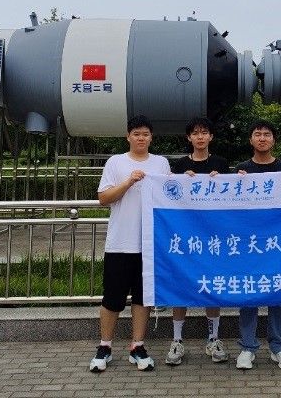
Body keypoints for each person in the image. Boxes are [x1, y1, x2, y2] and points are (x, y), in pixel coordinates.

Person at [89, 115, 170, 373]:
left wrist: (189, 180)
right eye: (136, 134)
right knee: (112, 298)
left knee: (143, 298)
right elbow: (103, 198)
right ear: (128, 136)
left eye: (145, 134)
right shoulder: (116, 162)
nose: (141, 138)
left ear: (151, 137)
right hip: (120, 243)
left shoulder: (161, 163)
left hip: (150, 244)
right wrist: (128, 182)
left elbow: (171, 194)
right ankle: (104, 346)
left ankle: (138, 346)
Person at [166, 116, 231, 365]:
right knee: (180, 286)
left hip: (213, 236)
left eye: (204, 132)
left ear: (211, 137)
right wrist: (181, 180)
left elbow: (233, 197)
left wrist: (221, 181)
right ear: (189, 137)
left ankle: (213, 338)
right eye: (195, 133)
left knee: (211, 286)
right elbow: (168, 194)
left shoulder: (221, 164)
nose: (200, 137)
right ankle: (177, 340)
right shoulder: (180, 165)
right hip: (185, 236)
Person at [234, 120, 281, 371]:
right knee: (249, 293)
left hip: (276, 242)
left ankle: (279, 347)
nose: (262, 138)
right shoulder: (241, 169)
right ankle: (247, 347)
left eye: (267, 134)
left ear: (273, 140)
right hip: (249, 242)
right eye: (257, 134)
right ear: (251, 140)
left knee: (277, 294)